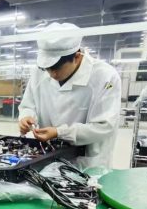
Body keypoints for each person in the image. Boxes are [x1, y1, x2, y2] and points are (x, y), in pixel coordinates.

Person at [18, 22, 121, 169]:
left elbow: (104, 126)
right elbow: (28, 105)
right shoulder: (39, 72)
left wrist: (60, 132)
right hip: (47, 156)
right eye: (48, 68)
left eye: (57, 68)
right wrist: (26, 117)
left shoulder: (104, 77)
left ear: (77, 57)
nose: (52, 74)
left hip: (87, 162)